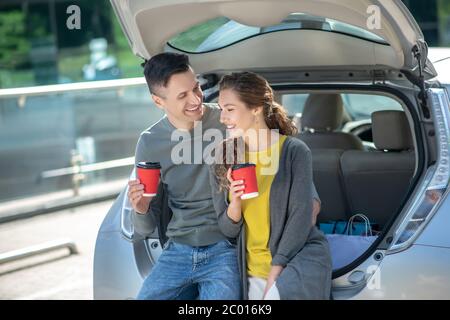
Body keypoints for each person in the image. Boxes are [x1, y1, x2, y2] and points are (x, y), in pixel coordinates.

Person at [127, 52, 241, 299]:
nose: (196, 99)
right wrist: (141, 208)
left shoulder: (228, 122)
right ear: (159, 102)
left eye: (196, 88)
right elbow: (145, 228)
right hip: (177, 250)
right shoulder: (149, 142)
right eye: (182, 96)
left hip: (225, 247)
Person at [210, 72, 332, 300]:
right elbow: (227, 230)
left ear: (256, 108)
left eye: (229, 109)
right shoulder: (223, 154)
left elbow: (301, 215)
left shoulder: (294, 151)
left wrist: (275, 272)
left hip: (293, 260)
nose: (222, 118)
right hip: (248, 270)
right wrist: (234, 202)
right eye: (220, 109)